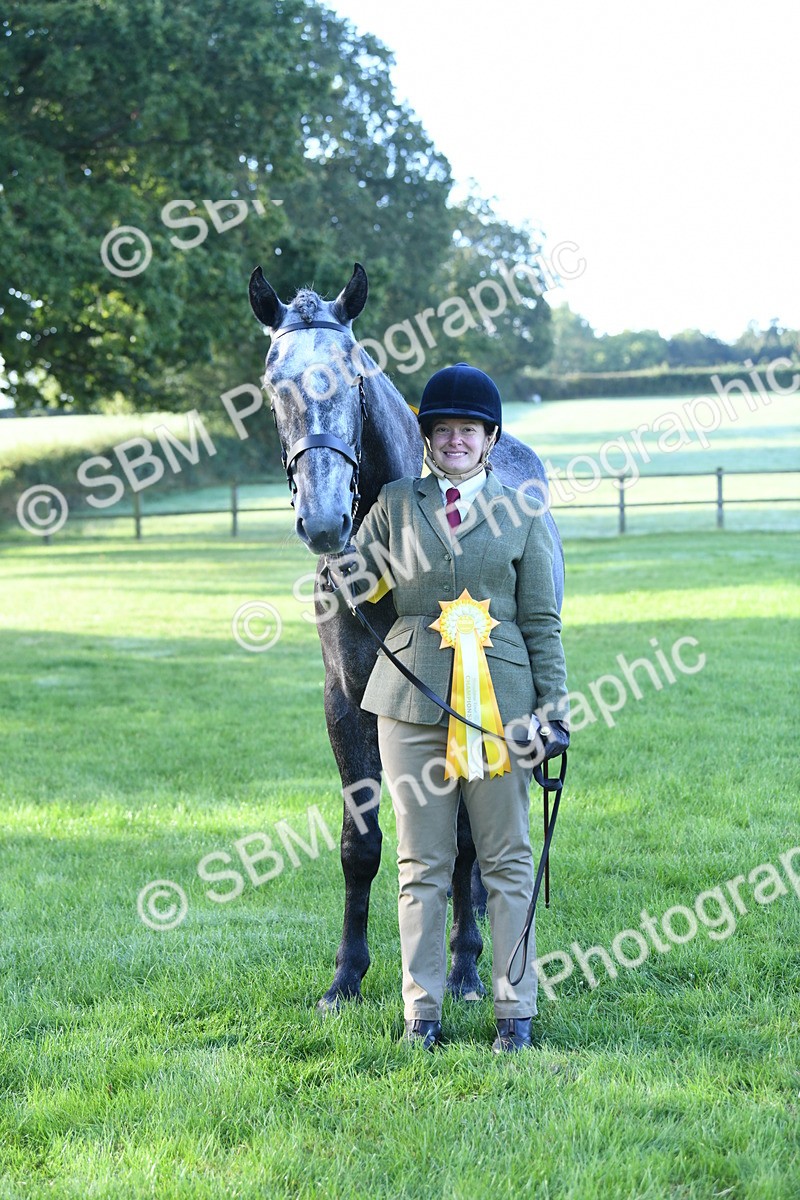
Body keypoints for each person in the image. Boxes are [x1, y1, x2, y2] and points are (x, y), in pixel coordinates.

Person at [335, 362, 569, 1053]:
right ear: (426, 437)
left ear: (489, 439)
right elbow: (361, 582)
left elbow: (543, 620)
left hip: (504, 704)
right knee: (421, 863)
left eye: (468, 430)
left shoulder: (523, 510)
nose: (455, 440)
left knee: (506, 860)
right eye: (442, 430)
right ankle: (422, 1014)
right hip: (410, 703)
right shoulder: (396, 504)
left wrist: (554, 710)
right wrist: (334, 552)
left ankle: (514, 1013)